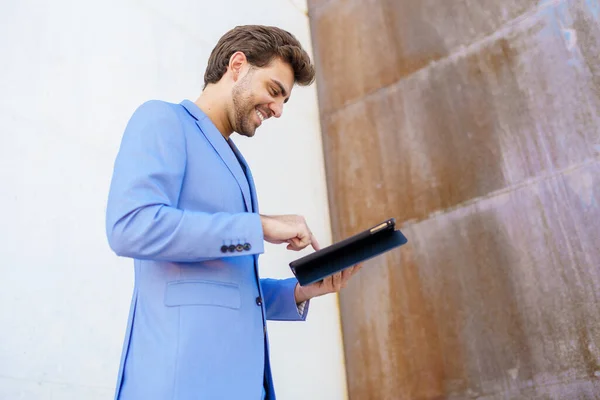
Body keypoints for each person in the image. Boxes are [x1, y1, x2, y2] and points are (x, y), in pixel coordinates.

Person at [105, 25, 361, 400]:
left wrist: (300, 291)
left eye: (284, 101)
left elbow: (222, 289)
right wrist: (258, 226)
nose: (277, 110)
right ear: (237, 65)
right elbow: (130, 227)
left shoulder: (238, 164)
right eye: (275, 91)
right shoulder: (163, 120)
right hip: (179, 385)